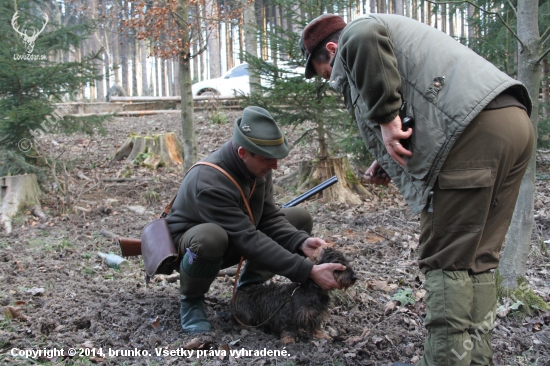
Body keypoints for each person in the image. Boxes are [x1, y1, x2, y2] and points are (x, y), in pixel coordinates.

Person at [299, 13, 534, 366]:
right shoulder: (399, 39)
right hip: (512, 123)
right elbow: (424, 104)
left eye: (327, 74)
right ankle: (475, 360)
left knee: (446, 259)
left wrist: (386, 117)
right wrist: (390, 159)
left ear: (332, 49)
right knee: (478, 259)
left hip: (471, 135)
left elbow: (362, 34)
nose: (331, 81)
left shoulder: (355, 37)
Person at [166, 106, 346, 334]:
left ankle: (249, 290)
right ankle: (191, 299)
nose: (275, 166)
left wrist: (300, 241)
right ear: (243, 152)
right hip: (195, 247)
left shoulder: (257, 167)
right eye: (268, 159)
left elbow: (268, 217)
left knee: (298, 219)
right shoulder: (209, 182)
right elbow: (247, 238)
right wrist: (307, 271)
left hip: (235, 235)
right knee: (210, 237)